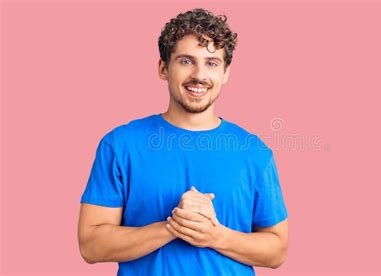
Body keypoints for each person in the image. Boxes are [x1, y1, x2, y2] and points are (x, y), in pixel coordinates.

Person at [78, 8, 288, 275]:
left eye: (212, 63)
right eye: (186, 61)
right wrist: (173, 225)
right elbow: (91, 246)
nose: (199, 75)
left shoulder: (255, 153)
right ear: (163, 68)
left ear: (225, 73)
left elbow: (277, 250)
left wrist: (214, 235)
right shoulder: (119, 146)